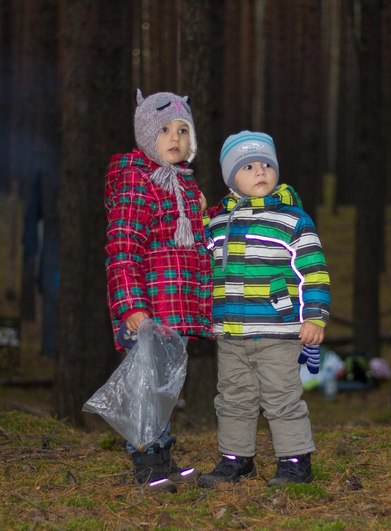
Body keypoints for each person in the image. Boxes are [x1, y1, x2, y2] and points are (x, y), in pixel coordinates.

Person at [198, 131, 331, 488]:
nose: (260, 171)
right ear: (231, 180)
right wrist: (198, 217)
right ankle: (236, 459)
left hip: (278, 330)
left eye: (266, 165)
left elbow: (313, 270)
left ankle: (295, 461)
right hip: (231, 332)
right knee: (232, 397)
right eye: (248, 167)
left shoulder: (292, 220)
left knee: (281, 396)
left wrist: (315, 315)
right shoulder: (217, 224)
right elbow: (197, 259)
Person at [103, 89, 213, 492]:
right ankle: (146, 459)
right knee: (146, 385)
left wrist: (207, 213)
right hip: (147, 310)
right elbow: (123, 248)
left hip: (174, 309)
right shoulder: (138, 180)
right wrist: (131, 306)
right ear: (147, 135)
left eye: (183, 131)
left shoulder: (183, 185)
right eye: (164, 130)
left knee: (166, 384)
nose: (175, 138)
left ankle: (162, 454)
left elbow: (193, 246)